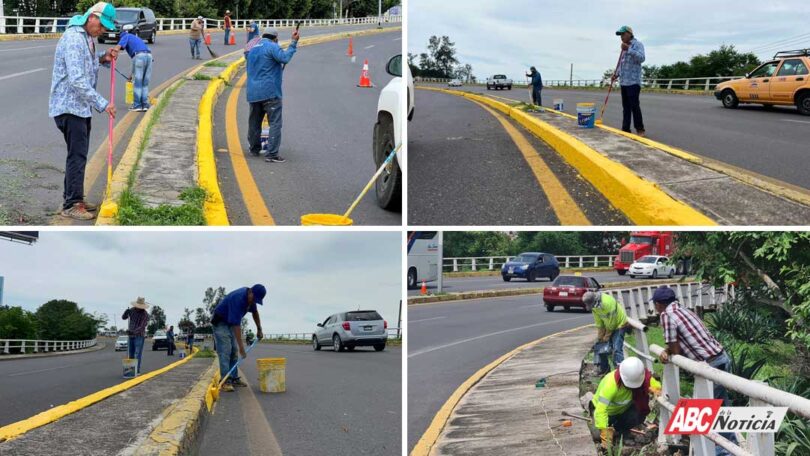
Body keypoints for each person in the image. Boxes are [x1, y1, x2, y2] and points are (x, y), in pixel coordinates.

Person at [49, 2, 118, 221]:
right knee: (77, 156)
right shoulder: (73, 38)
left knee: (77, 155)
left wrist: (103, 58)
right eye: (102, 26)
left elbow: (86, 66)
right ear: (92, 18)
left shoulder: (87, 38)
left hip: (80, 107)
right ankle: (71, 203)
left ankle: (74, 197)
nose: (103, 31)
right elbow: (77, 79)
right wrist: (103, 103)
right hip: (69, 106)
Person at [653, 286, 737, 455]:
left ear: (659, 304)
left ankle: (722, 452)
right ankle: (731, 447)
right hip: (721, 358)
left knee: (705, 411)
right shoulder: (685, 311)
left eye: (655, 305)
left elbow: (675, 348)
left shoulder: (667, 315)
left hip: (710, 366)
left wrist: (667, 351)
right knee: (719, 408)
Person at [246, 27, 299, 163]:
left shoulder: (252, 49)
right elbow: (285, 58)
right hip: (270, 92)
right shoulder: (272, 46)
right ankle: (272, 154)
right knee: (275, 123)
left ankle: (254, 149)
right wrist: (293, 42)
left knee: (254, 122)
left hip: (253, 92)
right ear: (275, 38)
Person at [590, 357, 661, 450]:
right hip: (605, 413)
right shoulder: (611, 384)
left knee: (637, 413)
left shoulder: (642, 377)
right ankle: (611, 430)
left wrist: (657, 389)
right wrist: (604, 431)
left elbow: (655, 384)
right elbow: (600, 410)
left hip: (621, 411)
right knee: (595, 434)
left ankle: (621, 430)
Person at [211, 284, 266, 392]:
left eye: (256, 301)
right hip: (220, 322)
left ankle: (234, 378)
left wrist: (259, 329)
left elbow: (255, 313)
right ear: (250, 292)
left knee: (233, 351)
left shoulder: (251, 300)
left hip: (230, 322)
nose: (253, 302)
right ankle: (225, 381)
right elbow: (237, 325)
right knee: (226, 350)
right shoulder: (238, 298)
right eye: (254, 299)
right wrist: (242, 348)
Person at [583, 291, 630, 374]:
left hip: (620, 325)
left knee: (616, 349)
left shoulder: (607, 303)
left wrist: (607, 336)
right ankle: (604, 370)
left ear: (595, 300)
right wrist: (600, 337)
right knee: (600, 347)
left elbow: (613, 323)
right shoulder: (595, 306)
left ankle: (620, 371)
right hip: (609, 325)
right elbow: (599, 322)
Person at [614, 26, 646, 136]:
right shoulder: (623, 47)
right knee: (626, 107)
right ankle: (625, 129)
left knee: (634, 106)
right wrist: (616, 74)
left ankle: (640, 129)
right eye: (620, 35)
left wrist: (629, 49)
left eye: (623, 34)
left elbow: (641, 58)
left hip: (633, 82)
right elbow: (622, 63)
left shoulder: (637, 45)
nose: (621, 37)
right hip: (623, 82)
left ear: (629, 34)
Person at [114, 31, 152, 111]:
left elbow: (118, 47)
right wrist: (131, 75)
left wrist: (114, 53)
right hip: (149, 56)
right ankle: (145, 105)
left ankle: (137, 105)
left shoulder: (125, 36)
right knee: (144, 83)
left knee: (137, 83)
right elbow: (136, 60)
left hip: (139, 57)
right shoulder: (136, 38)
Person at [122, 297, 149, 375]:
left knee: (137, 353)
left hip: (139, 336)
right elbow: (124, 318)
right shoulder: (132, 310)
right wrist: (126, 312)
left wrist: (133, 332)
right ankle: (130, 370)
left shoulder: (145, 314)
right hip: (131, 335)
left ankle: (137, 370)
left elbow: (142, 327)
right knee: (131, 353)